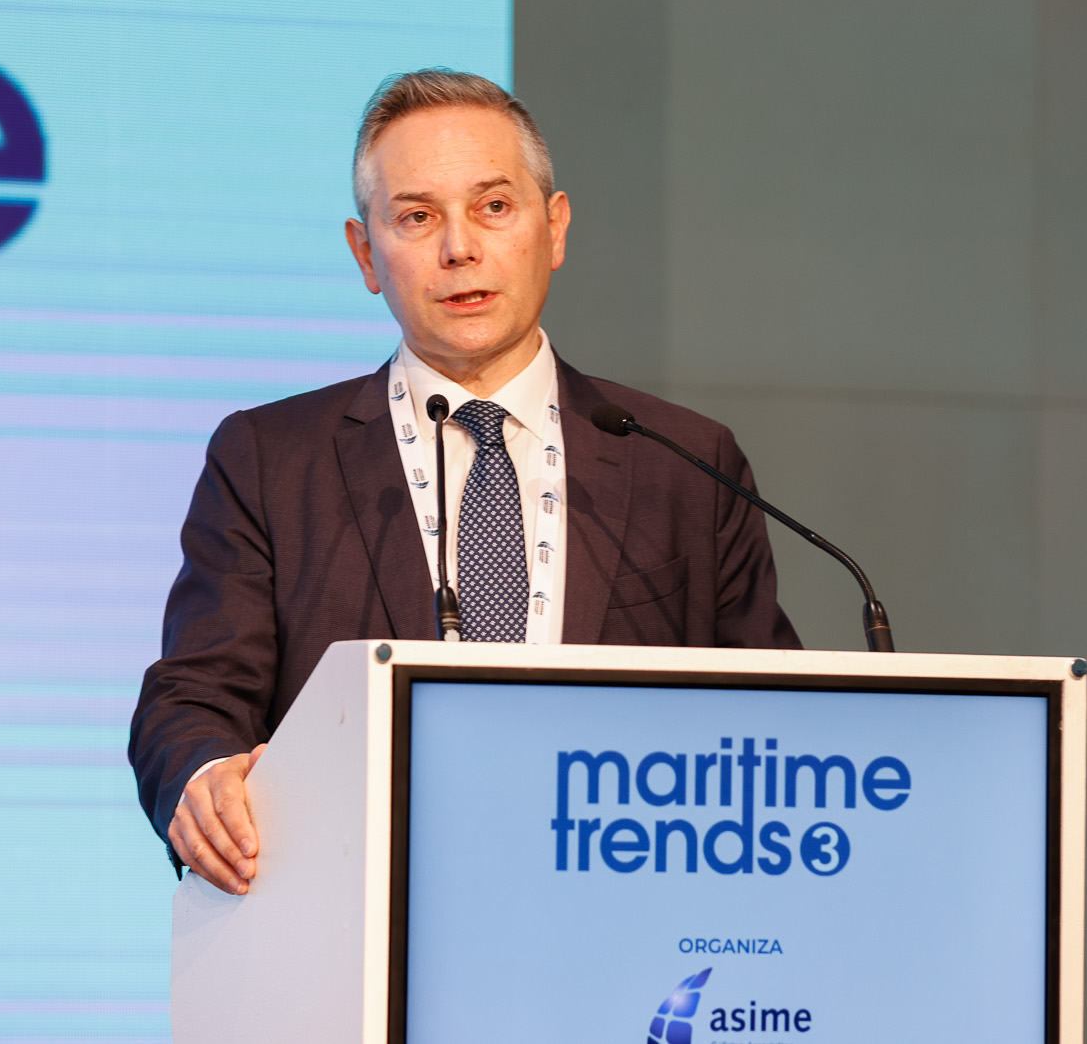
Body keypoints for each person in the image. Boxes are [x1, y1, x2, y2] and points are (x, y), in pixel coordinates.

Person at [127, 69, 801, 894]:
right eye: (417, 217)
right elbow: (193, 696)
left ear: (554, 227)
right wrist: (204, 777)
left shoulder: (683, 464)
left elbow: (775, 719)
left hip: (627, 898)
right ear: (366, 253)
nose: (460, 249)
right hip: (362, 907)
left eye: (494, 206)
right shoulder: (270, 459)